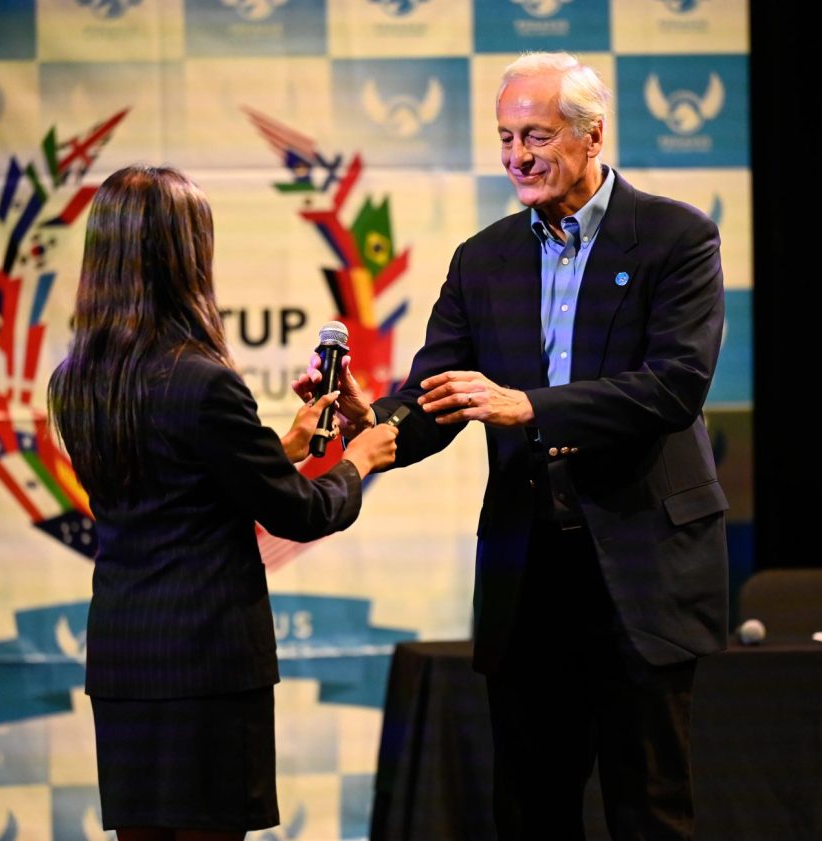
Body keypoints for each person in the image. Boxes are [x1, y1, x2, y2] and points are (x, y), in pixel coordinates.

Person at [296, 52, 728, 839]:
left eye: (536, 134)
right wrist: (372, 419)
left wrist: (527, 405)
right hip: (530, 576)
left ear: (593, 135)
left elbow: (675, 387)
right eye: (504, 137)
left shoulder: (676, 238)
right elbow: (437, 399)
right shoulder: (483, 258)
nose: (517, 157)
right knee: (529, 811)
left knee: (652, 812)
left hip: (643, 569)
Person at [47, 164, 399, 841]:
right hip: (206, 658)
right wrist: (356, 460)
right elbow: (301, 511)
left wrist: (277, 449)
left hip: (124, 655)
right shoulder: (204, 380)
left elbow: (170, 484)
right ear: (184, 257)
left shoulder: (76, 380)